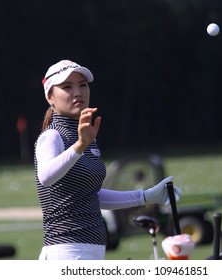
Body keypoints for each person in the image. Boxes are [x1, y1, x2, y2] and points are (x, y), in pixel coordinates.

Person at [34, 59, 182, 260]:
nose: (77, 92)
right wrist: (79, 146)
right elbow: (45, 176)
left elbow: (93, 196)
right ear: (50, 97)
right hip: (66, 250)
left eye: (82, 85)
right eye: (67, 87)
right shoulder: (52, 136)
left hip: (93, 248)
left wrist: (146, 196)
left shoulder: (87, 136)